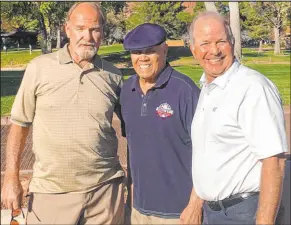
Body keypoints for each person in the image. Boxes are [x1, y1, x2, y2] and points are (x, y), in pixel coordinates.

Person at [1, 2, 125, 224]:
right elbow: (19, 124)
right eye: (80, 28)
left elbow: (135, 128)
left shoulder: (113, 75)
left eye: (95, 29)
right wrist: (12, 178)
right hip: (52, 193)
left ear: (102, 32)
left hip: (104, 193)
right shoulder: (39, 68)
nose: (87, 36)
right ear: (67, 29)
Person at [189, 12, 288, 225]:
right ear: (193, 49)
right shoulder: (208, 88)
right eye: (205, 43)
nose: (214, 50)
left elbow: (275, 161)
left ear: (232, 43)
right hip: (212, 213)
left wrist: (264, 221)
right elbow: (209, 156)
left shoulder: (252, 87)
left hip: (244, 213)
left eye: (221, 41)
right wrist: (195, 201)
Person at [120, 23, 201, 224]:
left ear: (164, 50)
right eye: (137, 52)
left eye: (150, 51)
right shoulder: (127, 91)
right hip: (139, 211)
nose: (143, 58)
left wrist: (195, 205)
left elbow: (207, 152)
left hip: (178, 212)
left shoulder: (185, 90)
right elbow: (133, 147)